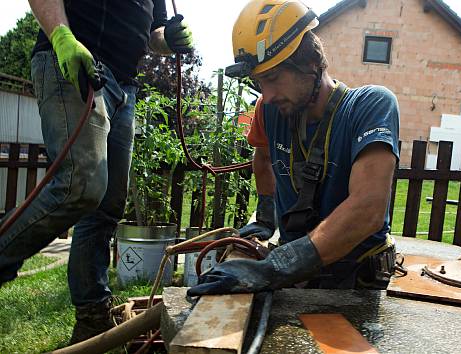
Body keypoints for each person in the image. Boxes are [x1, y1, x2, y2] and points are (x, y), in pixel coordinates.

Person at [0, 0, 193, 343]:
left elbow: (154, 35)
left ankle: (93, 316)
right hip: (72, 60)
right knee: (81, 183)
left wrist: (171, 38)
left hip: (124, 86)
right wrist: (61, 35)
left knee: (106, 206)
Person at [188, 0, 400, 296]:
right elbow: (261, 159)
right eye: (259, 82)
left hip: (354, 284)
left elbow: (367, 209)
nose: (268, 95)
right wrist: (264, 217)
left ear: (310, 62)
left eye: (273, 78)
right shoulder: (269, 110)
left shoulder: (370, 106)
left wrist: (276, 266)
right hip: (293, 279)